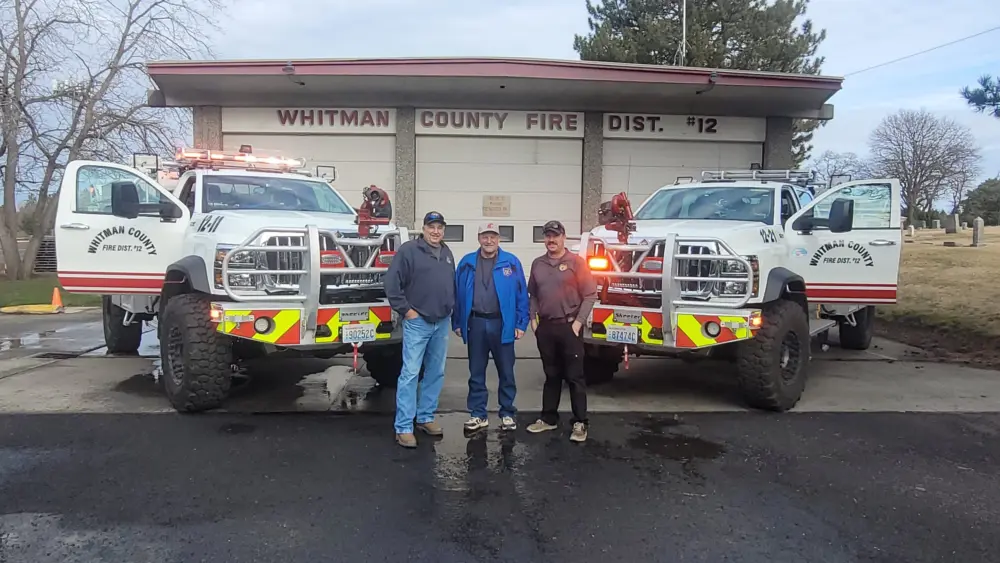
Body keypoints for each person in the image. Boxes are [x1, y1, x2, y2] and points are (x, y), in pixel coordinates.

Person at [384, 211, 456, 448]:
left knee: (436, 371)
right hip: (418, 322)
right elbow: (392, 284)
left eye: (440, 227)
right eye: (431, 227)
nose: (436, 231)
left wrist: (450, 308)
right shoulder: (409, 251)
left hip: (441, 322)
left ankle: (425, 417)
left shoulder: (446, 253)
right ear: (423, 229)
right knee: (411, 374)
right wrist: (407, 311)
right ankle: (403, 427)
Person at [452, 223, 530, 432]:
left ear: (499, 239)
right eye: (485, 236)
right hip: (475, 323)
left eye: (493, 237)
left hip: (502, 324)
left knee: (506, 371)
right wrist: (458, 321)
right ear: (478, 238)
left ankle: (507, 413)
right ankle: (478, 414)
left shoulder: (511, 262)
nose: (489, 241)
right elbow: (457, 293)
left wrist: (521, 323)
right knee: (476, 371)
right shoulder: (467, 262)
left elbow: (522, 295)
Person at [525, 220, 598, 443]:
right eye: (548, 236)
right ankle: (549, 418)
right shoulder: (538, 264)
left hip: (569, 327)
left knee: (575, 377)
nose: (551, 240)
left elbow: (590, 295)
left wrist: (578, 323)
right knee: (551, 375)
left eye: (555, 235)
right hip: (546, 327)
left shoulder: (576, 262)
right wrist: (533, 321)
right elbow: (534, 295)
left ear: (563, 237)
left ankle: (580, 422)